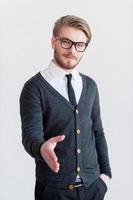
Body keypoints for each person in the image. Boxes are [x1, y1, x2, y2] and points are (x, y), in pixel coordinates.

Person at [19, 15, 112, 200]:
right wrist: (41, 148)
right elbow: (31, 136)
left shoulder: (90, 86)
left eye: (80, 45)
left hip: (93, 188)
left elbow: (97, 132)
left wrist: (106, 176)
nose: (73, 50)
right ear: (54, 41)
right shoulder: (34, 87)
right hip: (54, 191)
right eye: (66, 42)